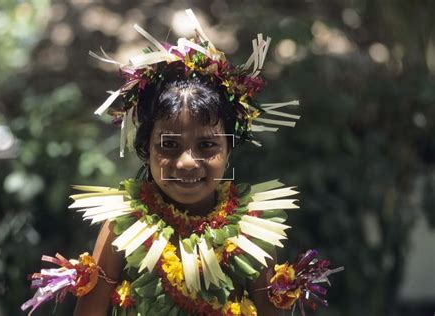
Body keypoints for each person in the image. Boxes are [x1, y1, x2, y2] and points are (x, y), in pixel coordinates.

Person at [22, 9, 341, 316]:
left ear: (230, 149)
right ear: (144, 147)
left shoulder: (252, 232)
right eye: (170, 145)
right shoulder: (122, 226)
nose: (188, 162)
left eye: (206, 145)